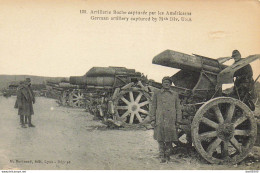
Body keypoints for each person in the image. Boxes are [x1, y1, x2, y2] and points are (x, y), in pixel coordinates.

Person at [149, 76, 182, 163]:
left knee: (169, 139)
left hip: (171, 120)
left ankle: (168, 155)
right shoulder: (157, 93)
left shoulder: (175, 94)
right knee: (160, 139)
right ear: (162, 84)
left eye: (168, 82)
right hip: (160, 119)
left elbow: (178, 108)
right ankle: (161, 155)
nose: (166, 84)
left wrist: (178, 120)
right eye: (164, 82)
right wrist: (152, 119)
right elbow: (153, 106)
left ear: (170, 84)